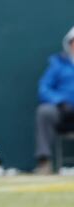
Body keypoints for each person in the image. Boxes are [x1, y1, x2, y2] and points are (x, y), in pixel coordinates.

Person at [34, 26, 74, 174]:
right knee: (44, 112)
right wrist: (60, 101)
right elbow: (44, 88)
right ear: (69, 44)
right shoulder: (58, 64)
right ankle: (44, 162)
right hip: (63, 111)